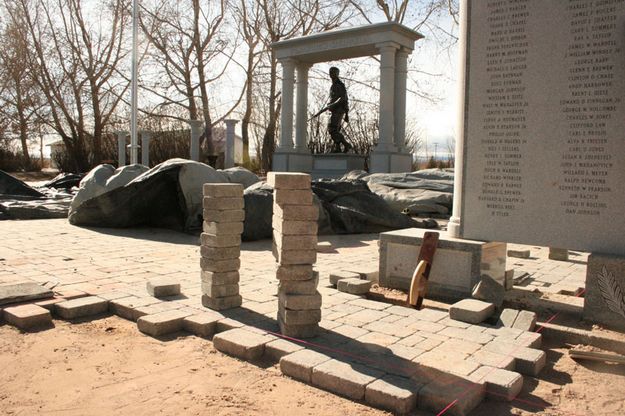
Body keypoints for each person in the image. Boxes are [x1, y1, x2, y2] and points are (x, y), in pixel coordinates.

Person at [326, 67, 352, 153]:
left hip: (339, 110)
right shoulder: (333, 85)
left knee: (332, 129)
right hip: (334, 110)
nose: (331, 74)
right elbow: (334, 98)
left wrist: (333, 105)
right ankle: (338, 147)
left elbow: (343, 98)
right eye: (330, 72)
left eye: (333, 72)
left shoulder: (339, 85)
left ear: (337, 73)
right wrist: (330, 105)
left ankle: (346, 144)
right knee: (333, 129)